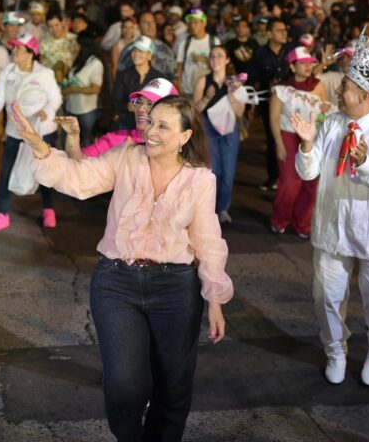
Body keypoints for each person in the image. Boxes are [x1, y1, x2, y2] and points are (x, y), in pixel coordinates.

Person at [12, 96, 233, 441]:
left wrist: (215, 299)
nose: (151, 130)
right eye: (151, 122)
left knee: (174, 386)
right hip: (116, 283)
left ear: (185, 136)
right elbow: (79, 178)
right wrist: (39, 146)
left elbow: (207, 240)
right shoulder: (126, 156)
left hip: (175, 288)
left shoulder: (200, 179)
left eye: (163, 125)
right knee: (124, 386)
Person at [290, 31, 369, 386]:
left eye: (345, 85)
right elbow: (309, 172)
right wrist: (306, 145)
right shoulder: (333, 122)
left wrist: (364, 163)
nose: (338, 90)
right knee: (326, 298)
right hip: (332, 229)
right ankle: (335, 351)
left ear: (364, 93)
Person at [0, 34, 62, 232]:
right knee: (6, 171)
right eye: (14, 48)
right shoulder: (8, 71)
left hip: (41, 131)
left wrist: (46, 112)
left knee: (45, 172)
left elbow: (56, 99)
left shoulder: (44, 74)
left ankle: (48, 209)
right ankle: (2, 214)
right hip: (15, 131)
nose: (14, 52)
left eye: (19, 49)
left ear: (31, 53)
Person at [270, 46, 331, 237]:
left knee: (310, 182)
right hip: (288, 136)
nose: (308, 66)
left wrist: (325, 111)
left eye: (310, 63)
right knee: (289, 183)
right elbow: (274, 118)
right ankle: (280, 219)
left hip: (312, 138)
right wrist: (279, 143)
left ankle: (302, 224)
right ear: (292, 66)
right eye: (303, 63)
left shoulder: (319, 85)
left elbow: (323, 115)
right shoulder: (281, 89)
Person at [60, 78, 178, 159]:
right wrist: (73, 137)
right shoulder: (118, 139)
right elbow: (78, 161)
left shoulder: (177, 146)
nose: (141, 108)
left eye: (150, 103)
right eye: (139, 102)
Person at [193, 45, 246, 223]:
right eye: (212, 56)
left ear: (227, 60)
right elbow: (195, 110)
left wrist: (231, 94)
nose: (215, 59)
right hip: (208, 127)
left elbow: (240, 112)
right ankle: (209, 208)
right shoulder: (203, 81)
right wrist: (207, 98)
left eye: (219, 56)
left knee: (228, 173)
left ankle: (223, 207)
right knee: (213, 170)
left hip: (229, 128)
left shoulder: (235, 82)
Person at [248, 18, 293, 191]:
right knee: (273, 139)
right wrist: (250, 105)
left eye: (285, 30)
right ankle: (273, 177)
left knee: (290, 138)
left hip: (291, 103)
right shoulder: (260, 53)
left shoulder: (290, 51)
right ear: (269, 33)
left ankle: (289, 177)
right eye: (279, 30)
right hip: (268, 103)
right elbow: (251, 80)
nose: (284, 33)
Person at [111, 36, 165, 129]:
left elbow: (164, 103)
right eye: (134, 50)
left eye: (141, 51)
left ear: (149, 55)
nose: (136, 54)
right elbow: (115, 100)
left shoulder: (159, 78)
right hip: (127, 123)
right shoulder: (123, 75)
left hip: (151, 124)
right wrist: (126, 106)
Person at [62, 30, 104, 146]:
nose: (74, 46)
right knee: (71, 141)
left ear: (84, 45)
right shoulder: (79, 60)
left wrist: (72, 90)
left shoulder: (95, 63)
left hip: (86, 110)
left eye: (76, 43)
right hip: (71, 107)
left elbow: (95, 88)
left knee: (87, 140)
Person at [175, 8, 220, 95]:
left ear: (204, 23)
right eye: (190, 23)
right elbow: (179, 67)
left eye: (196, 22)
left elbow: (220, 65)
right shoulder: (184, 43)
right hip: (187, 91)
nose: (192, 25)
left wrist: (205, 59)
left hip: (207, 91)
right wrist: (179, 86)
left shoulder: (214, 42)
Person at [40, 11, 79, 85]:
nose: (54, 29)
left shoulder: (74, 40)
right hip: (51, 83)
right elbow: (41, 64)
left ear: (62, 23)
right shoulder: (44, 43)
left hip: (72, 82)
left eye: (57, 25)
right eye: (50, 26)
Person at [110, 16, 137, 82]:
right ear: (121, 29)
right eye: (125, 27)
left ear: (134, 30)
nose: (128, 30)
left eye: (131, 27)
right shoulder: (116, 46)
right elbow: (114, 67)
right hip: (121, 78)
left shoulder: (137, 45)